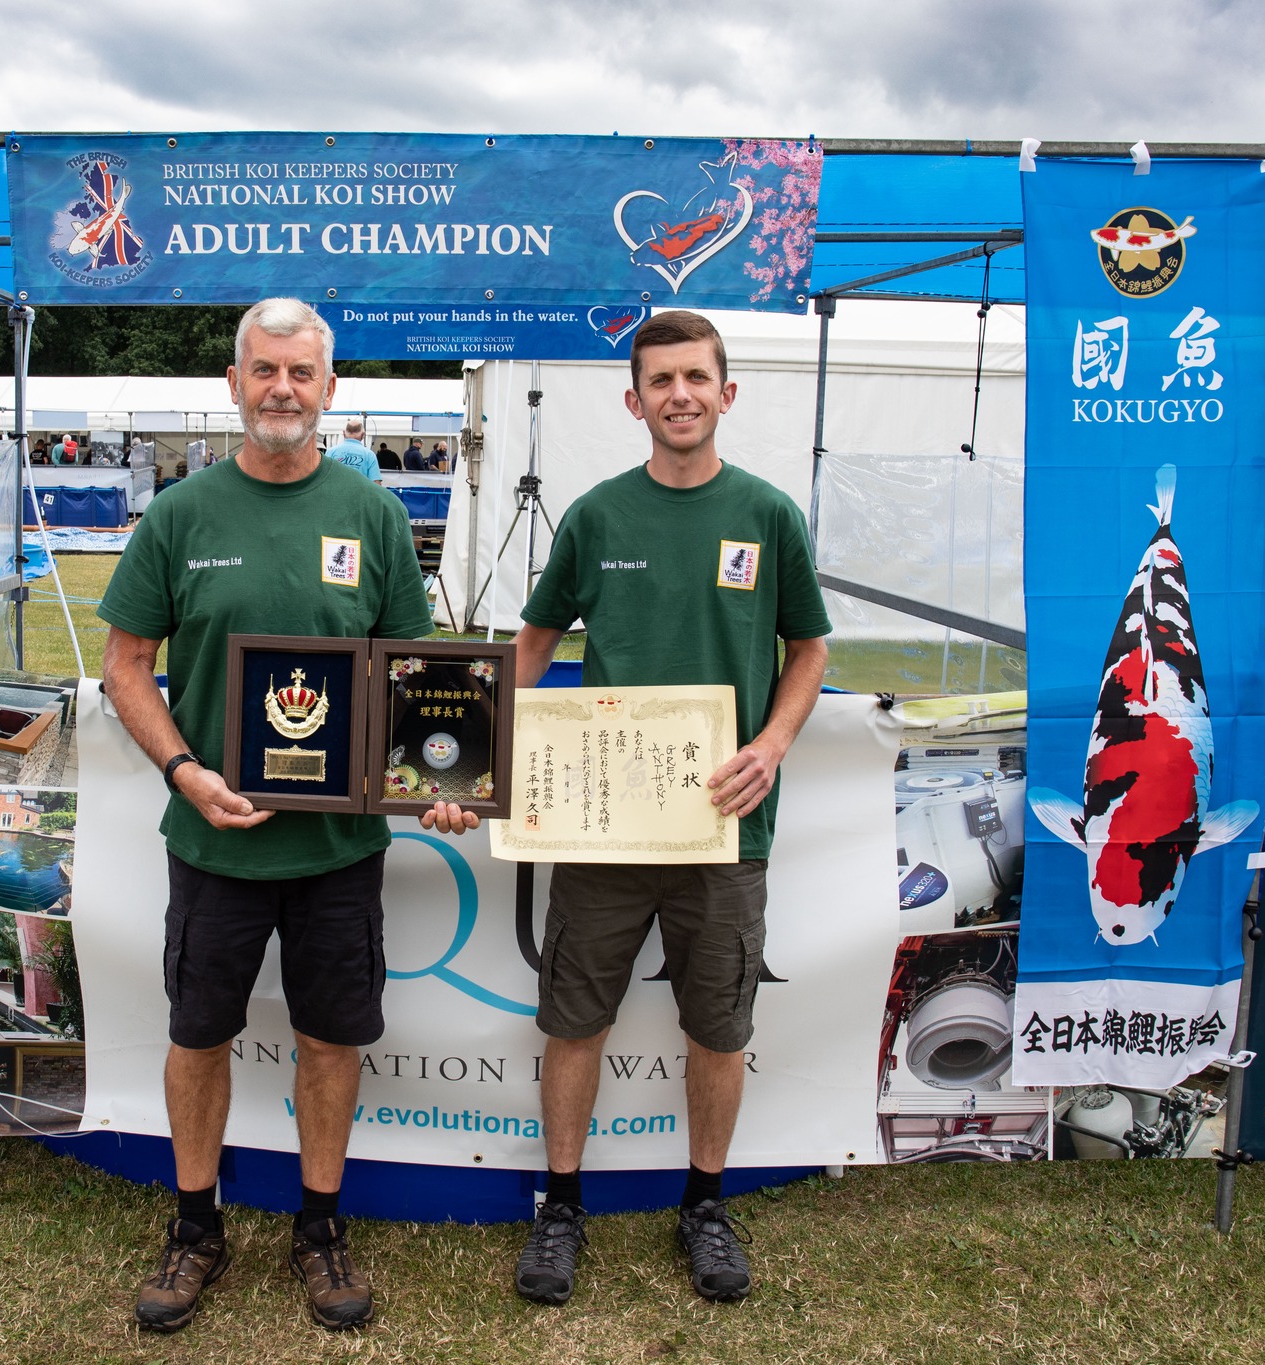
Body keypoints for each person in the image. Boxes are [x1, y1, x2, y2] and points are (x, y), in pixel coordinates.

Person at [97, 298, 478, 1334]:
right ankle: (194, 1230)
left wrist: (435, 784)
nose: (279, 389)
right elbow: (125, 670)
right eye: (262, 370)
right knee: (199, 1036)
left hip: (337, 850)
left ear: (328, 390)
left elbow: (416, 681)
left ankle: (317, 1228)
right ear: (232, 383)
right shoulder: (179, 515)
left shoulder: (374, 516)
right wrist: (182, 770)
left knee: (329, 1041)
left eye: (299, 373)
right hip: (213, 841)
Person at [508, 310, 831, 1306]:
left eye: (696, 378)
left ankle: (703, 1203)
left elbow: (807, 650)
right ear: (633, 400)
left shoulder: (768, 514)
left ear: (724, 393)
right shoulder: (597, 516)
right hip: (604, 824)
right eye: (660, 381)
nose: (679, 395)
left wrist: (771, 744)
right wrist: (494, 755)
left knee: (717, 1027)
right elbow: (532, 639)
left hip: (724, 828)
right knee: (573, 1018)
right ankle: (559, 1205)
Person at [325, 417, 381, 482]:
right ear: (363, 435)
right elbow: (376, 483)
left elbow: (323, 478)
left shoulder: (331, 452)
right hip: (360, 491)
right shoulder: (369, 455)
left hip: (334, 491)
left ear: (343, 433)